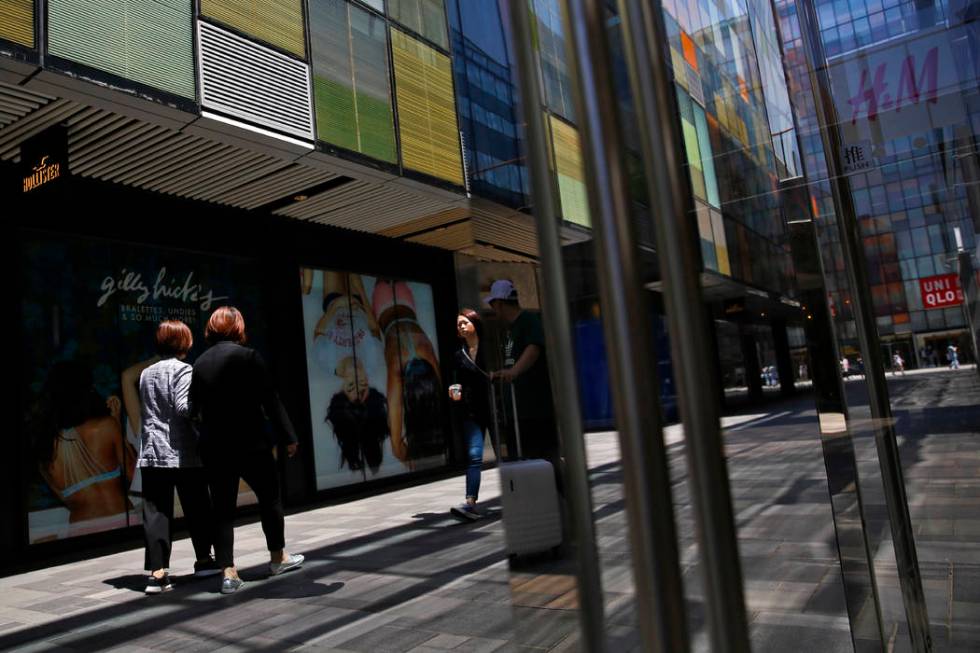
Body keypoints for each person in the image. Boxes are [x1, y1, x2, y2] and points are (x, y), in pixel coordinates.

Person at [190, 306, 303, 594]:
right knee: (270, 498)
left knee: (223, 509)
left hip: (215, 446)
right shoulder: (249, 357)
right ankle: (277, 557)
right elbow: (271, 400)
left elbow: (193, 409)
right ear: (238, 327)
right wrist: (288, 435)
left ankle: (228, 571)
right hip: (251, 442)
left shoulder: (200, 363)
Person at [138, 320, 220, 594]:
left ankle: (157, 573)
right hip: (183, 452)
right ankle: (204, 560)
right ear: (184, 343)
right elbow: (185, 408)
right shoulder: (185, 370)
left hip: (152, 453)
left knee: (156, 512)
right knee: (197, 507)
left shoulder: (145, 373)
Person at [30, 361, 137, 539]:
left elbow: (67, 500)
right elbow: (134, 475)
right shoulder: (106, 427)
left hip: (80, 531)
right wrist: (118, 424)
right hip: (121, 521)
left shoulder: (45, 450)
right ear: (86, 391)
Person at [304, 270, 388, 472]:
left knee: (330, 267)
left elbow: (319, 331)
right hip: (358, 302)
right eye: (364, 385)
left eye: (352, 385)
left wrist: (335, 309)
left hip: (333, 301)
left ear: (342, 388)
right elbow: (375, 329)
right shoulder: (374, 360)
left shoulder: (325, 360)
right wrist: (359, 294)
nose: (358, 379)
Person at [485, 280, 559, 468]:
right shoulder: (511, 329)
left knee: (543, 461)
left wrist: (514, 372)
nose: (493, 310)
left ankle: (565, 494)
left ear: (500, 304)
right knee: (526, 462)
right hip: (518, 411)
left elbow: (534, 348)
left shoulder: (527, 321)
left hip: (534, 409)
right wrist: (504, 373)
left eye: (493, 305)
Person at [372, 280, 446, 466]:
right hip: (385, 303)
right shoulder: (398, 364)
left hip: (405, 300)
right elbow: (395, 409)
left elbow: (442, 393)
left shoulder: (425, 354)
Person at [449, 309, 492, 521]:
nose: (461, 327)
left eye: (465, 322)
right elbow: (456, 380)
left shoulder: (490, 348)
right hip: (471, 410)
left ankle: (519, 491)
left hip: (495, 408)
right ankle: (470, 503)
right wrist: (454, 392)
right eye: (459, 325)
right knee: (475, 455)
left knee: (508, 454)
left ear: (475, 322)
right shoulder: (459, 354)